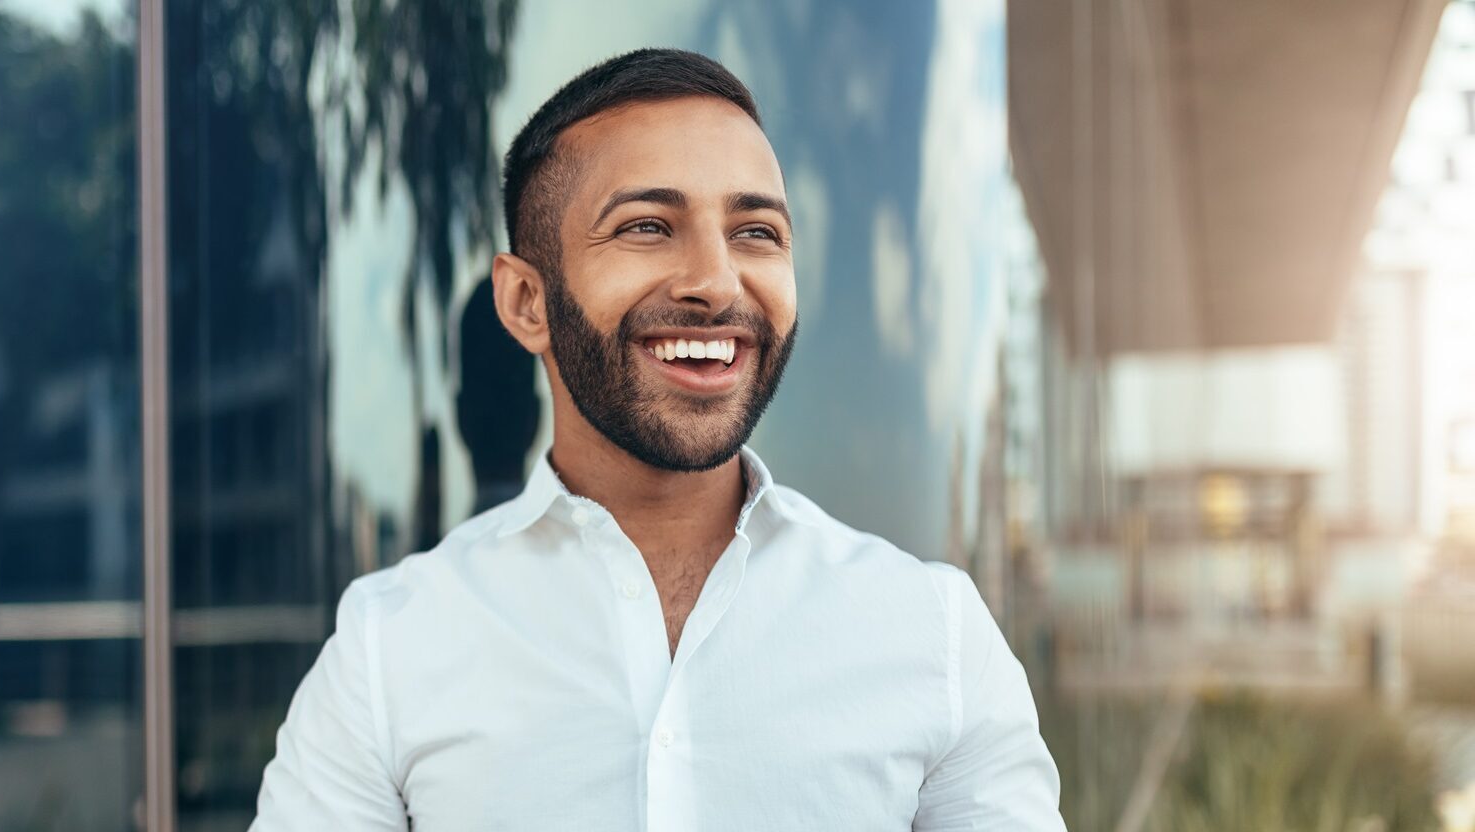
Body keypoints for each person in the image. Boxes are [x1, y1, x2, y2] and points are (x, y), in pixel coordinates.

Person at [252, 48, 1063, 830]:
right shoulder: (389, 651)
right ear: (527, 302)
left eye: (757, 233)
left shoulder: (934, 636)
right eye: (646, 227)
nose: (714, 283)